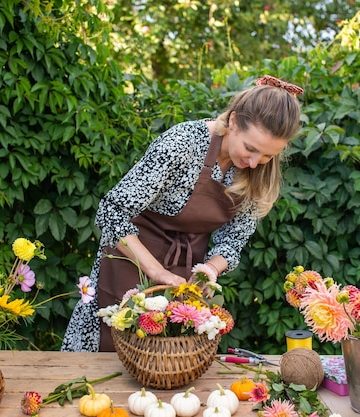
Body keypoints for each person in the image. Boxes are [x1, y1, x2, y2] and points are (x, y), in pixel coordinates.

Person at [61, 75, 303, 352]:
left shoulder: (258, 171)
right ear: (234, 121)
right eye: (250, 149)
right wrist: (156, 271)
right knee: (111, 358)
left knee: (169, 365)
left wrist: (210, 269)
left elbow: (234, 239)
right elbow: (111, 212)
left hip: (183, 276)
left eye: (267, 156)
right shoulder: (183, 143)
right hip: (130, 262)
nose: (253, 163)